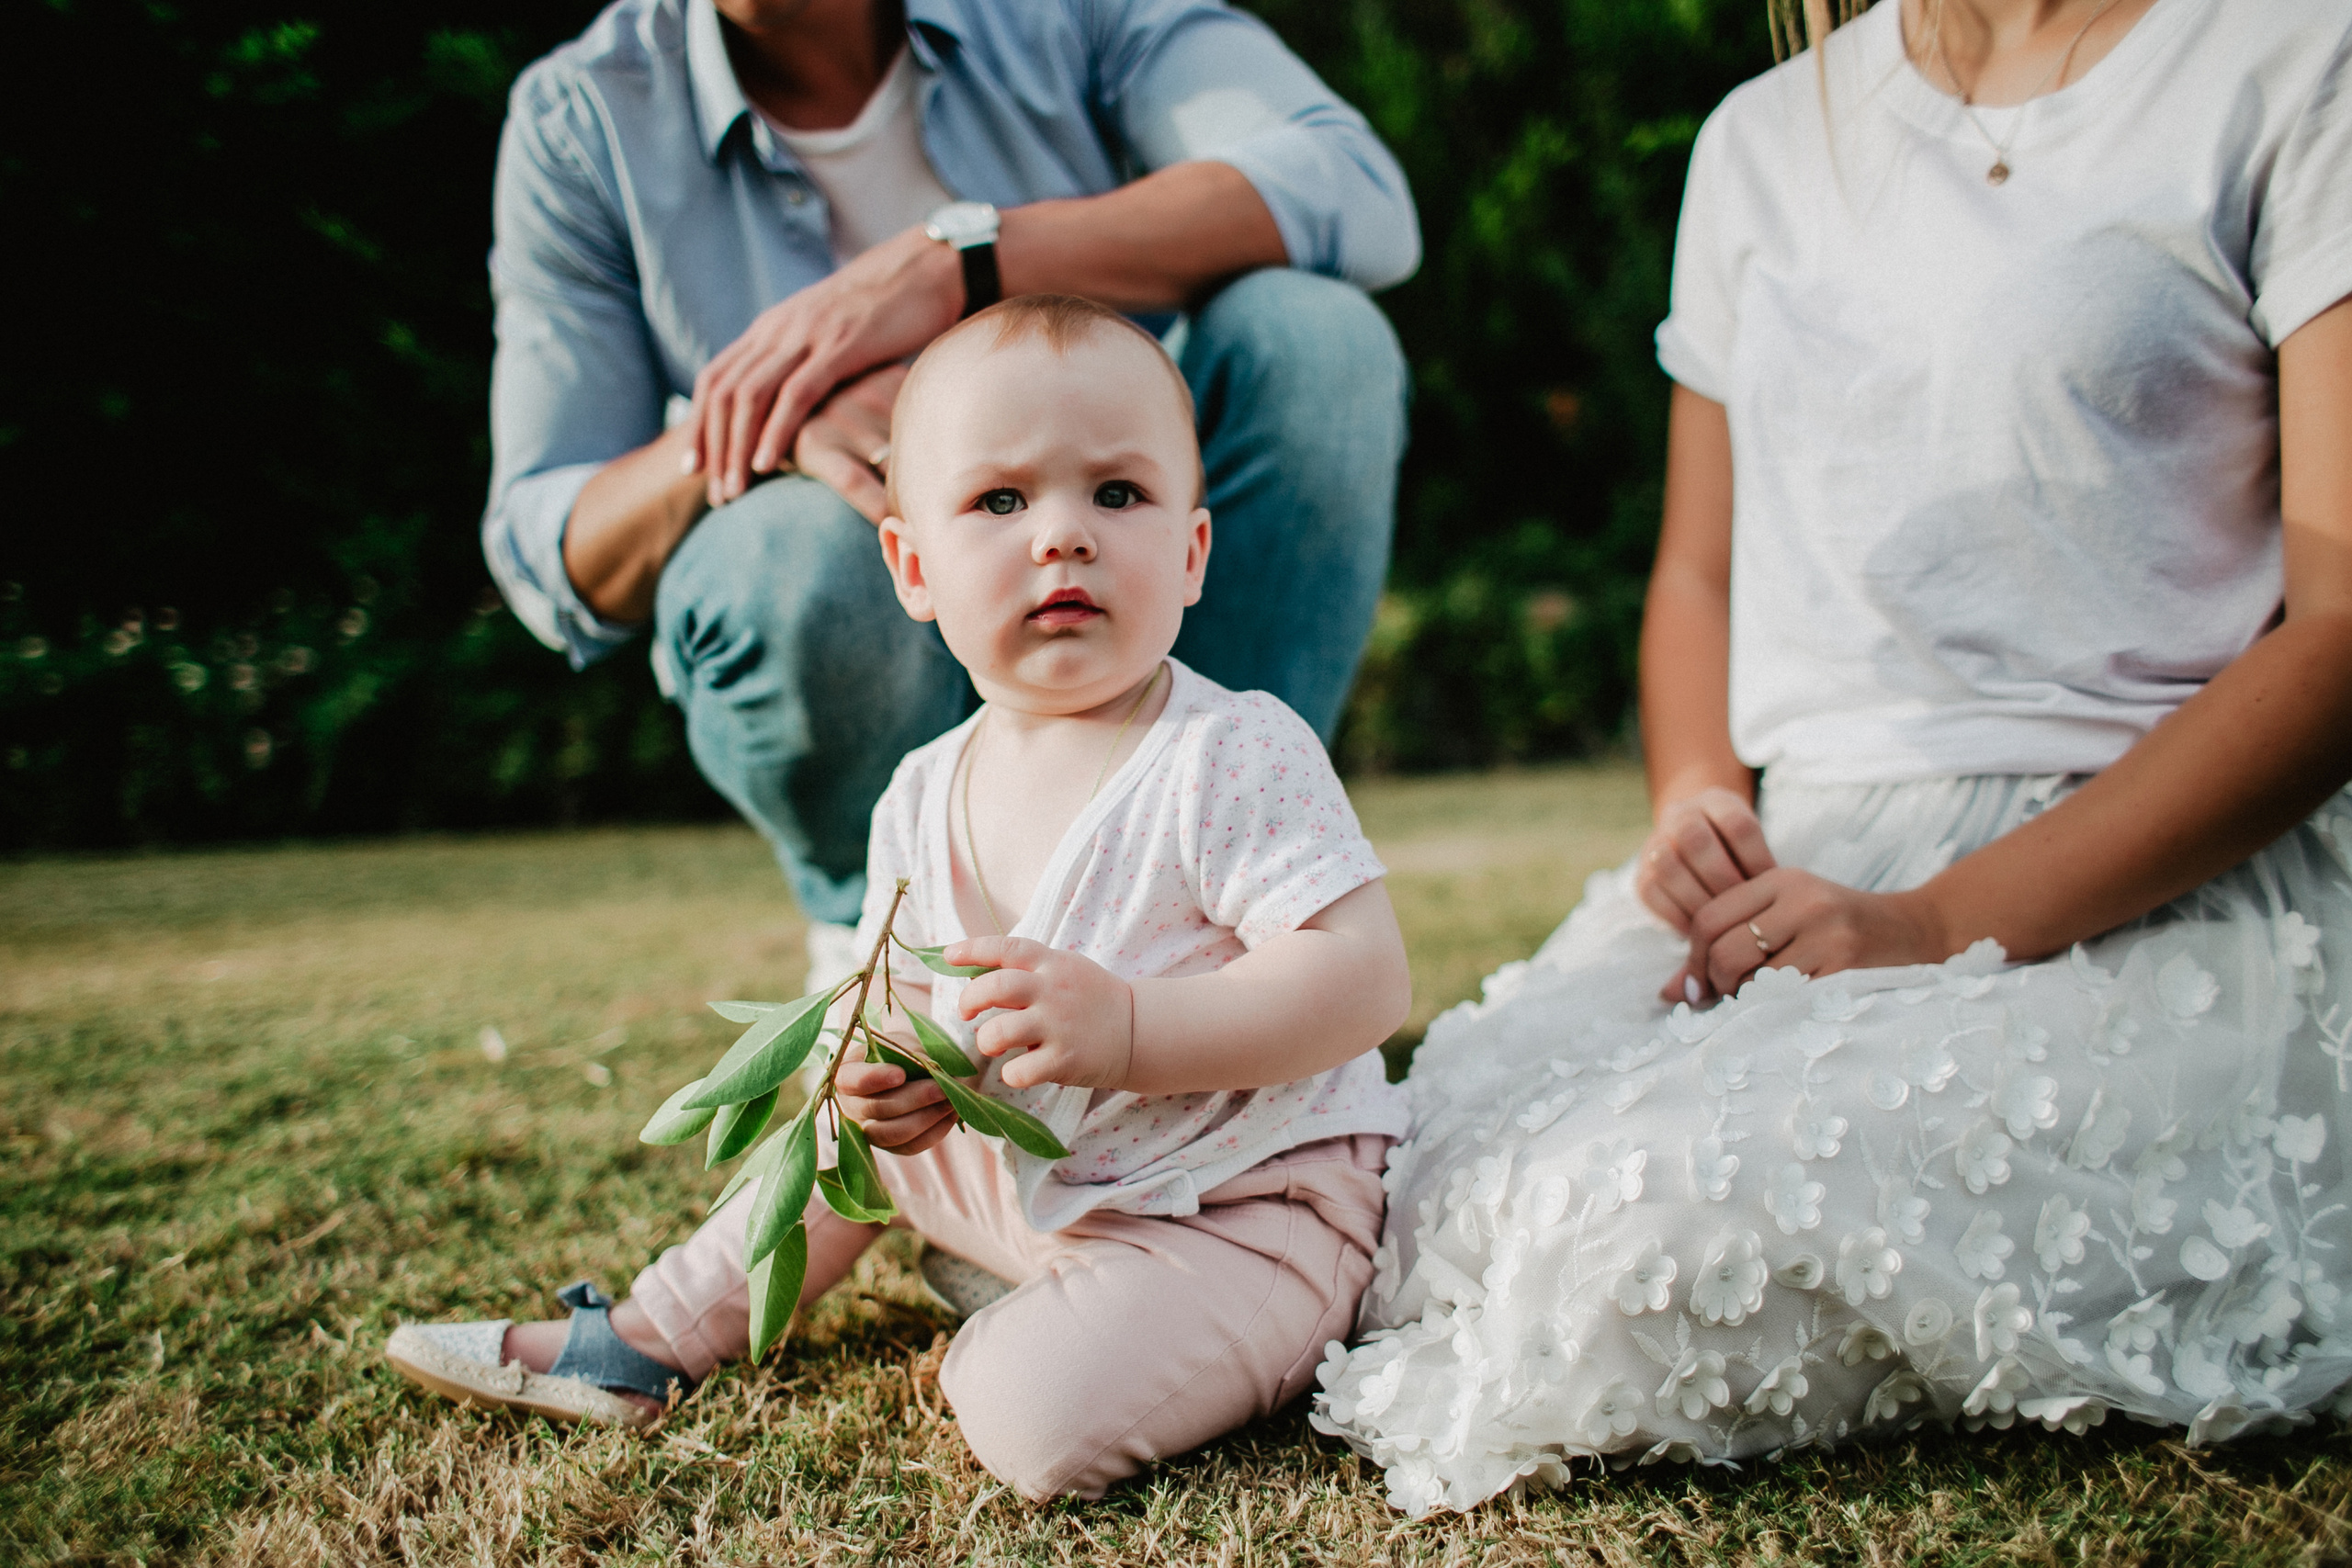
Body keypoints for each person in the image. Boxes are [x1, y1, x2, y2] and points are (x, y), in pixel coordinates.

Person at [1309, 0, 2352, 1517]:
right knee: (1415, 1190)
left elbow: (2335, 636)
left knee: (1640, 1238)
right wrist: (1697, 800)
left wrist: (1932, 927)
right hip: (1808, 871)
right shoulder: (1761, 141)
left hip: (2150, 870)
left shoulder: (2291, 60)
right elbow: (1701, 579)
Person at [390, 294, 1416, 1499]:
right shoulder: (922, 792)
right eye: (1000, 500)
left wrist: (1133, 1027)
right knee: (836, 1123)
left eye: (1118, 494)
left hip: (1246, 1205)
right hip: (1054, 1177)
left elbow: (1362, 979)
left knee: (1025, 1415)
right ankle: (653, 1338)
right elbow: (922, 1014)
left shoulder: (1228, 751)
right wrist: (904, 1076)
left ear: (1191, 553)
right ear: (913, 565)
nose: (1062, 537)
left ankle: (1116, 1324)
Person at [478, 0, 1416, 978]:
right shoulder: (581, 115)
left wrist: (961, 264)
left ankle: (1239, 871)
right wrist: (769, 417)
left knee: (1316, 335)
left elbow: (1358, 191)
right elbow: (552, 550)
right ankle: (878, 937)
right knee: (795, 551)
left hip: (1160, 640)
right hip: (827, 558)